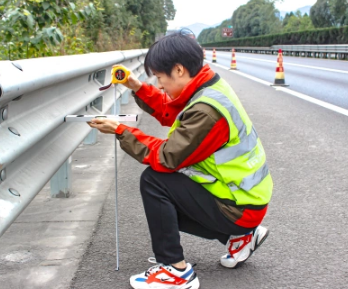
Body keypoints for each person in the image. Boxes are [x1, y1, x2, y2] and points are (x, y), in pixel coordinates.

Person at [87, 32, 273, 289]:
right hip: (245, 200)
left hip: (239, 208)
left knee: (155, 181)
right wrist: (137, 86)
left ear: (179, 69)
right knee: (169, 197)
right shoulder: (209, 86)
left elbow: (166, 157)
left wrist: (121, 131)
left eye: (161, 78)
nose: (160, 86)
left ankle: (175, 270)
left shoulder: (206, 111)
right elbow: (170, 109)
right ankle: (240, 237)